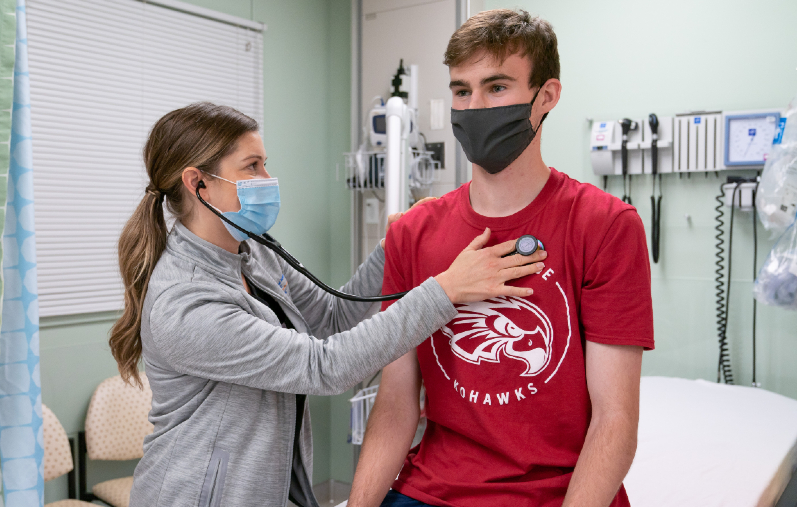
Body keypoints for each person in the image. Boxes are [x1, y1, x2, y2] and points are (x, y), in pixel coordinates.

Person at [109, 102, 547, 507]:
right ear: (197, 182)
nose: (267, 178)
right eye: (252, 166)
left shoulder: (251, 251)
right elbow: (325, 366)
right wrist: (445, 291)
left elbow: (332, 317)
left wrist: (390, 247)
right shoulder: (184, 302)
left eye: (266, 164)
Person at [348, 9, 654, 507]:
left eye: (496, 87)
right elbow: (396, 405)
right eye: (461, 90)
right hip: (431, 491)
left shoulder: (605, 226)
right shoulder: (412, 233)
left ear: (546, 96)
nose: (474, 106)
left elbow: (615, 420)